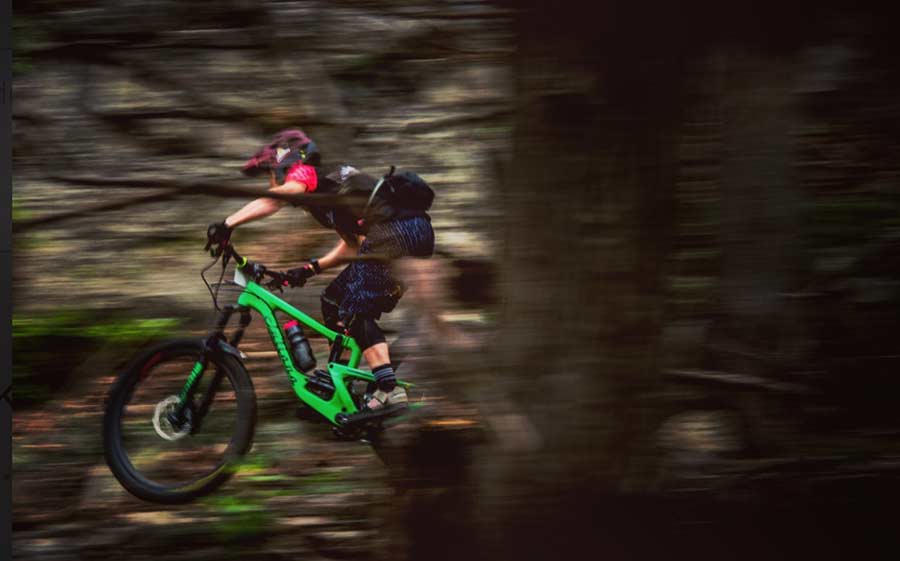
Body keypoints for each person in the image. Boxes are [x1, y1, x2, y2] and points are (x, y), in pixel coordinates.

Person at [205, 129, 435, 410]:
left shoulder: (309, 172)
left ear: (284, 163)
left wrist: (227, 224)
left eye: (271, 174)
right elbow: (354, 247)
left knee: (353, 309)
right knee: (333, 298)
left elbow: (278, 196)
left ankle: (389, 389)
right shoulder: (332, 195)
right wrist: (310, 268)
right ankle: (341, 385)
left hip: (397, 233)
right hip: (414, 236)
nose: (271, 181)